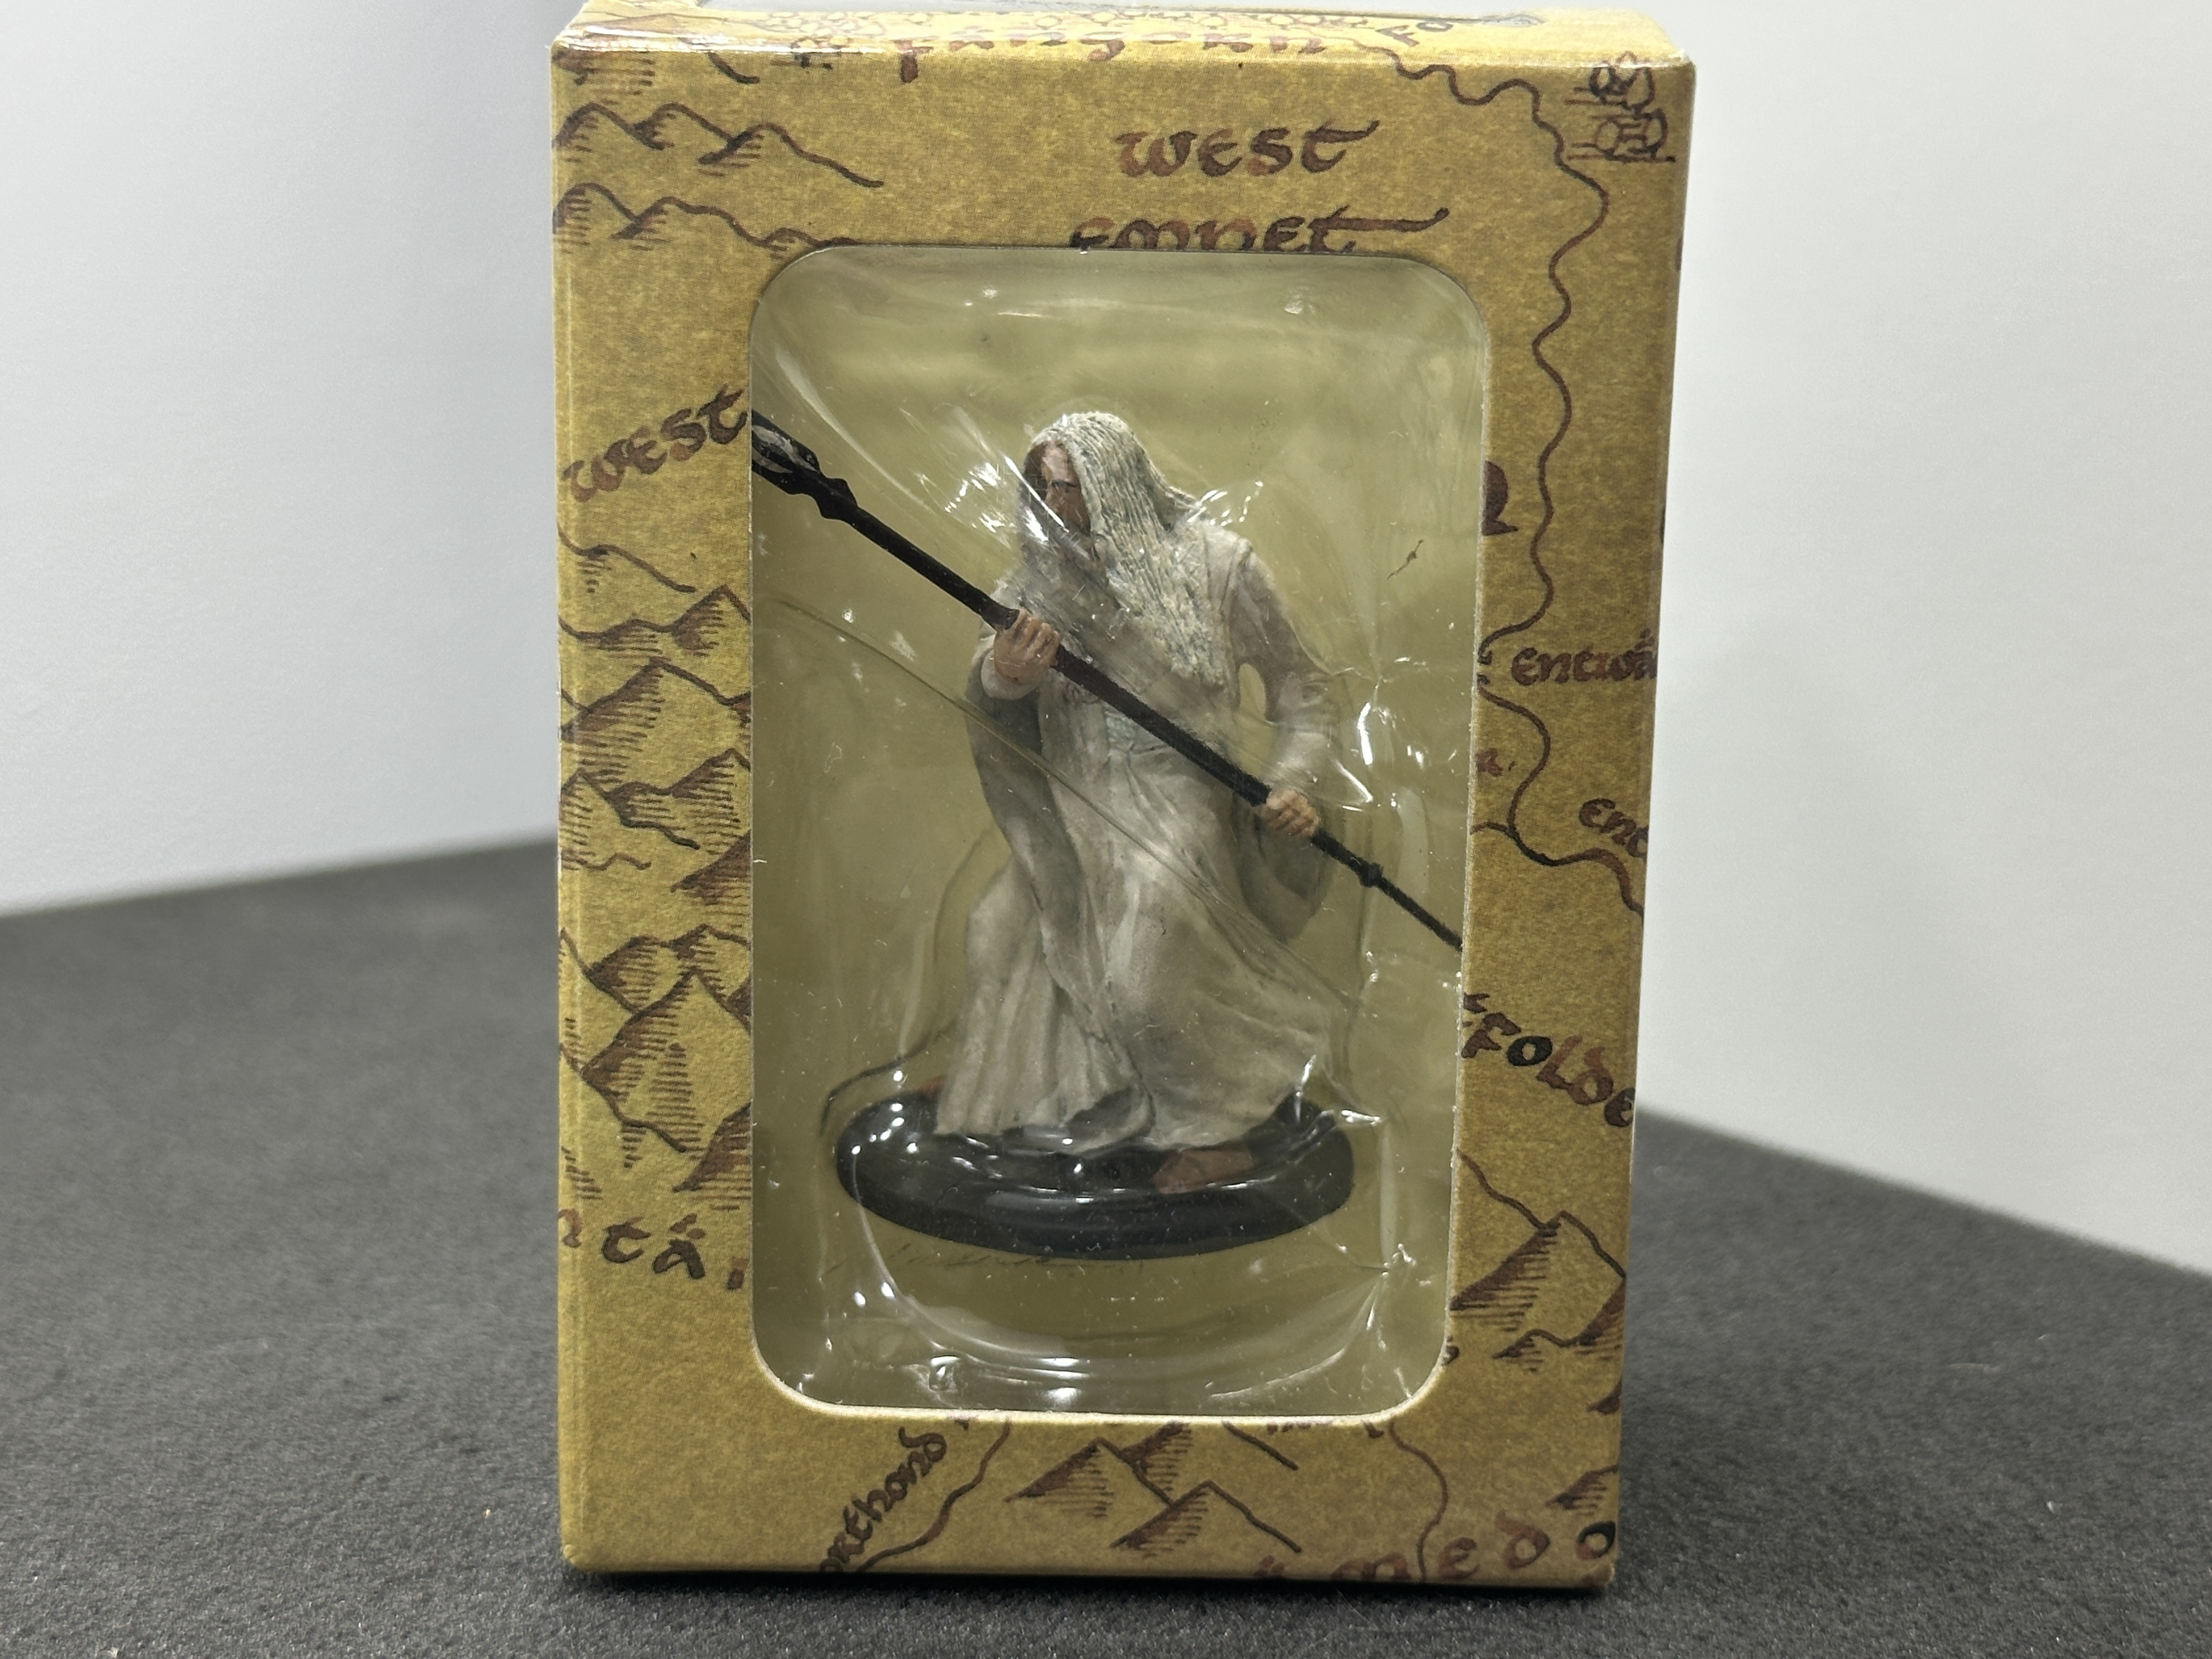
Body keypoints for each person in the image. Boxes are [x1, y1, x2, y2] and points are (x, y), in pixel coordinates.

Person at [932, 412, 1343, 1183]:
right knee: (995, 930)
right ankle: (1023, 1088)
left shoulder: (1220, 566)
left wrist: (1292, 782)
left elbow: (1305, 692)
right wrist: (1007, 675)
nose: (1053, 505)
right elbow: (991, 690)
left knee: (1143, 966)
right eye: (1042, 487)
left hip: (1180, 800)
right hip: (1076, 804)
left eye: (1069, 488)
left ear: (1114, 483)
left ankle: (1214, 1126)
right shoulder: (1032, 584)